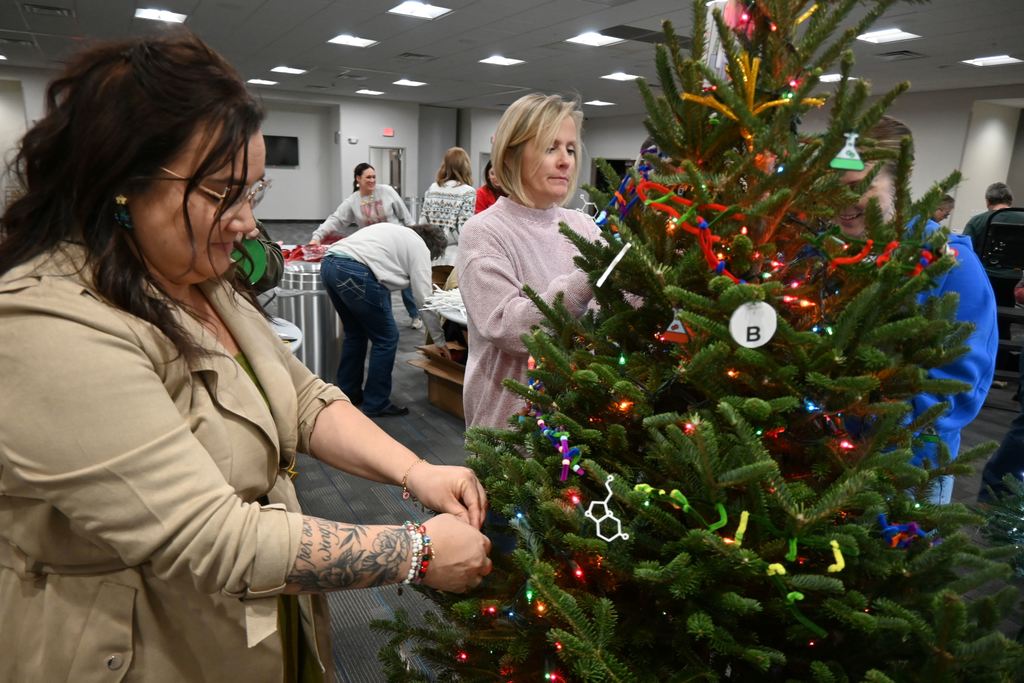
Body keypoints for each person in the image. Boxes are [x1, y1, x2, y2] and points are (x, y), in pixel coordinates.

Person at [0, 31, 491, 682]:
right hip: (138, 649)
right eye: (221, 193)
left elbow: (303, 398)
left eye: (251, 193)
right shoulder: (44, 327)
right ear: (121, 182)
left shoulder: (194, 275)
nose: (245, 223)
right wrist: (414, 550)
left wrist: (416, 468)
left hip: (250, 623)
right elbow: (212, 536)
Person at [836, 116, 997, 505]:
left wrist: (868, 419)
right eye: (829, 188)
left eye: (860, 187)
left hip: (905, 468)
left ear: (900, 183)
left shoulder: (952, 266)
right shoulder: (823, 255)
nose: (841, 203)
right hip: (816, 452)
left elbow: (959, 386)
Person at [457, 93, 602, 429]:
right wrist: (582, 284)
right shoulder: (484, 231)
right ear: (512, 155)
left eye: (570, 148)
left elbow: (617, 305)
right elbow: (507, 326)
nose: (565, 160)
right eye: (551, 148)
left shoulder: (584, 226)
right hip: (510, 429)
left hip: (583, 419)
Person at [321, 222, 451, 417]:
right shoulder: (419, 247)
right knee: (386, 338)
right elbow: (423, 298)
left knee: (355, 334)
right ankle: (376, 402)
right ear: (433, 249)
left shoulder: (395, 232)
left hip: (329, 264)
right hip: (355, 271)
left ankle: (348, 393)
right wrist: (439, 340)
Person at [310, 163, 423, 329]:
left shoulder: (387, 191)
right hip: (374, 249)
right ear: (358, 179)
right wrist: (317, 237)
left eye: (374, 177)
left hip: (397, 244)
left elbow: (405, 215)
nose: (372, 180)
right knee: (382, 282)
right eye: (368, 177)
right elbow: (336, 219)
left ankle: (415, 315)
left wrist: (415, 233)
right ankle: (387, 320)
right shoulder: (353, 201)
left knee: (407, 281)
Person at [420, 146, 476, 286]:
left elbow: (422, 222)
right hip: (454, 257)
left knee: (432, 300)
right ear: (465, 166)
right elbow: (464, 229)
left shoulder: (433, 188)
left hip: (432, 255)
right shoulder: (468, 192)